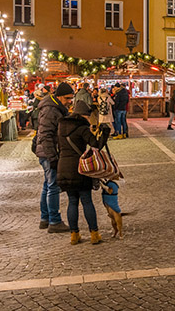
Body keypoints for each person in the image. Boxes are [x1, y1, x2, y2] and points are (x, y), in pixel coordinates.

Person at [56, 100, 108, 245]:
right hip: (79, 169)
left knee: (72, 201)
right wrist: (105, 132)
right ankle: (94, 234)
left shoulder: (61, 126)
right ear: (84, 115)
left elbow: (57, 146)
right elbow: (96, 145)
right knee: (86, 201)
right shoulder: (82, 128)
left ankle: (74, 235)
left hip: (63, 168)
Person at [35, 82, 74, 232]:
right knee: (53, 186)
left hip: (46, 152)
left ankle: (45, 219)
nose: (70, 101)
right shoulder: (51, 110)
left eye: (71, 98)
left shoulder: (55, 107)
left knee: (48, 185)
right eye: (67, 98)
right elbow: (45, 134)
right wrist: (52, 157)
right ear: (59, 97)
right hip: (48, 153)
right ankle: (54, 221)